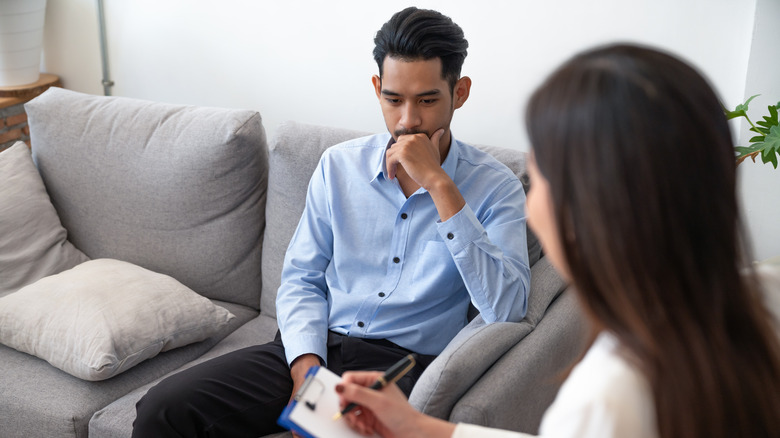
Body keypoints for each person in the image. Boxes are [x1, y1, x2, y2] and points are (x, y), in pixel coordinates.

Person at [335, 44, 780, 438]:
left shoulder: (608, 393)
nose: (530, 197)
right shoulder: (761, 296)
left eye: (540, 166)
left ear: (591, 204)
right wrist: (422, 428)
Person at [131, 7, 531, 437]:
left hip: (398, 368)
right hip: (314, 346)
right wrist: (305, 368)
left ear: (461, 92)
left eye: (428, 100)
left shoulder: (497, 187)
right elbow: (302, 277)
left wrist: (440, 185)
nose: (408, 120)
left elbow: (508, 308)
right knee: (162, 409)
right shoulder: (338, 167)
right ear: (377, 88)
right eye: (393, 99)